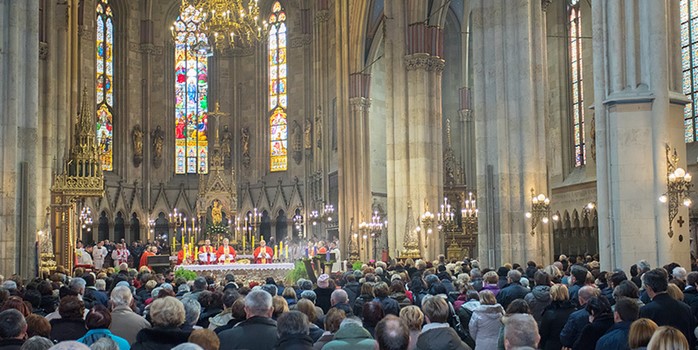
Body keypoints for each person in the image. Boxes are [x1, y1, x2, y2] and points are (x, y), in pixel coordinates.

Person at [639, 268, 696, 348]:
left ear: (649, 288)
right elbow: (692, 336)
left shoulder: (646, 310)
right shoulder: (685, 308)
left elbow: (644, 339)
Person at [538, 284, 575, 350]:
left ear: (552, 295)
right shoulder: (574, 310)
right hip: (569, 345)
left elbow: (543, 333)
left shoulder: (549, 313)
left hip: (552, 345)